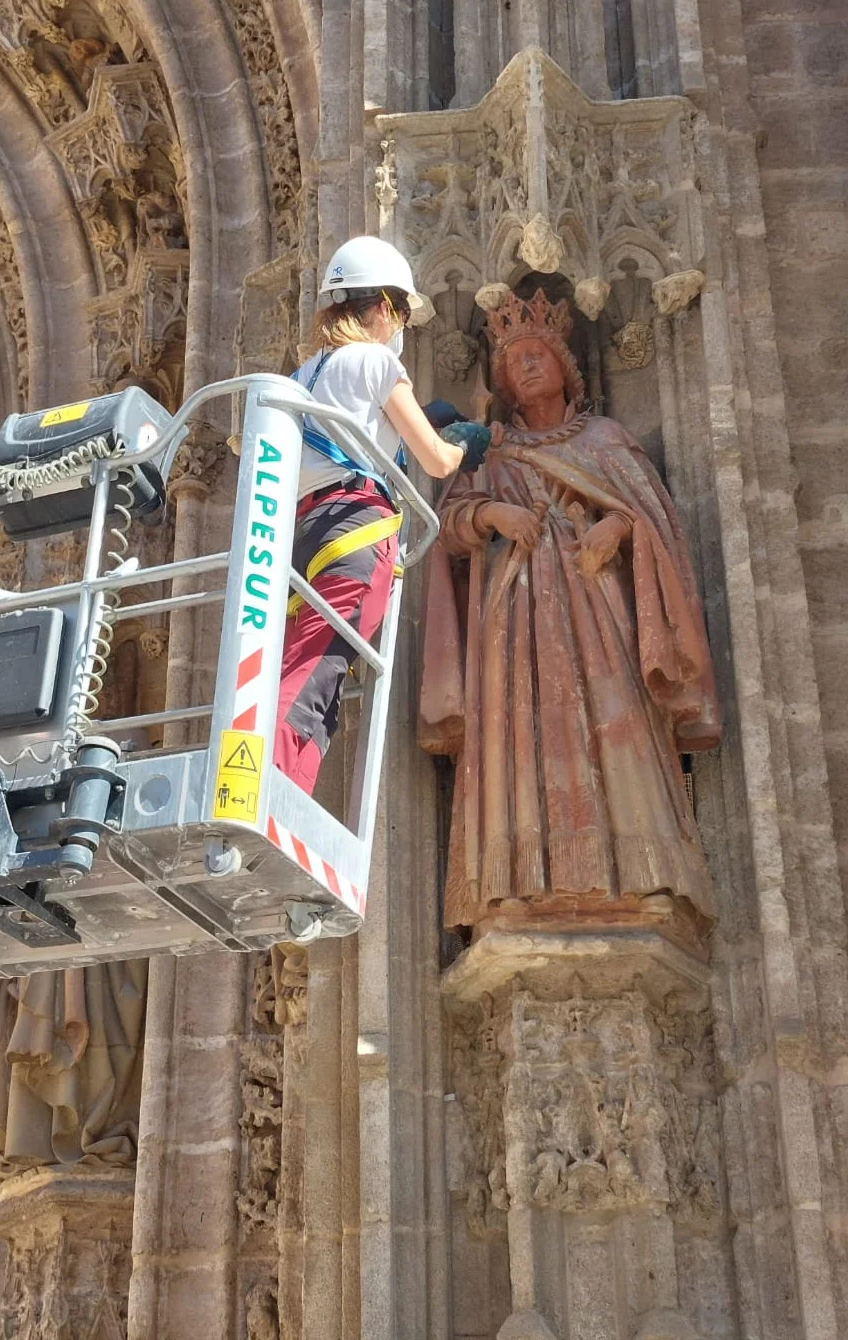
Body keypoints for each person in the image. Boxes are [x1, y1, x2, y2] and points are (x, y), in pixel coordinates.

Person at [419, 283, 720, 932]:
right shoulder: (487, 449)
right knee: (519, 736)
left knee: (616, 722)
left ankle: (640, 880)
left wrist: (618, 527)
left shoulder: (608, 441)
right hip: (514, 619)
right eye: (514, 357)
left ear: (566, 367)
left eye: (539, 352)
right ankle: (515, 890)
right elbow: (442, 528)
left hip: (598, 611)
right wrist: (488, 510)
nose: (526, 364)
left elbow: (656, 523)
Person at [275, 236, 490, 794]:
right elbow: (438, 461)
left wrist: (418, 417)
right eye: (398, 312)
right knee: (315, 674)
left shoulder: (303, 375)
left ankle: (280, 787)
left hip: (304, 534)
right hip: (355, 532)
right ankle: (268, 789)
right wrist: (464, 439)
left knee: (304, 662)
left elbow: (351, 433)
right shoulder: (376, 360)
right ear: (379, 308)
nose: (399, 327)